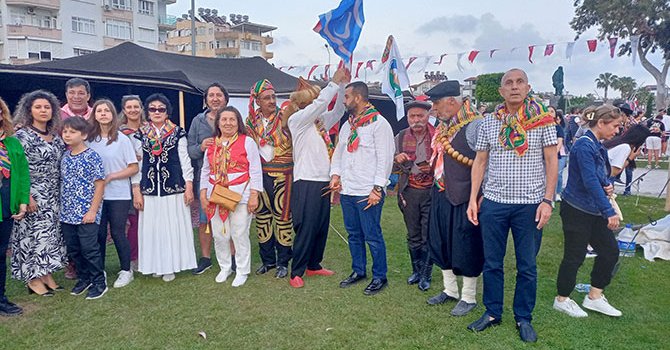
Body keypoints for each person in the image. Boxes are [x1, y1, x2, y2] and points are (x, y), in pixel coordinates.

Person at [466, 69, 557, 342]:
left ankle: (523, 317)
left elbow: (552, 161)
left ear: (528, 87)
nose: (514, 87)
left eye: (519, 82)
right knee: (492, 262)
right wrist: (474, 198)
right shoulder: (489, 123)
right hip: (494, 203)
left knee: (526, 265)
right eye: (509, 83)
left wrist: (548, 201)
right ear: (501, 91)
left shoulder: (543, 120)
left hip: (530, 204)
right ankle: (492, 311)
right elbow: (480, 161)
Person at [553, 105, 623, 318]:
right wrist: (608, 210)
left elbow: (600, 175)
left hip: (592, 209)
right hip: (577, 209)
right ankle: (562, 299)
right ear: (601, 123)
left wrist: (607, 184)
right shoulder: (584, 146)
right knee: (574, 256)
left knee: (610, 251)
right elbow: (589, 180)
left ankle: (594, 296)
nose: (618, 131)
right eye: (615, 126)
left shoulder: (596, 145)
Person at [424, 82, 484, 317]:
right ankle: (450, 290)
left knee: (466, 245)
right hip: (440, 192)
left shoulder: (475, 125)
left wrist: (479, 196)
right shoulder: (444, 126)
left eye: (437, 103)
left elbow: (485, 162)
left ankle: (469, 296)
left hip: (464, 197)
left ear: (451, 101)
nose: (434, 109)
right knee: (440, 242)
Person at [286, 68, 348, 288]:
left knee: (322, 225)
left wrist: (341, 86)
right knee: (307, 226)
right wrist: (332, 82)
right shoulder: (297, 121)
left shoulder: (319, 122)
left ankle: (314, 264)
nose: (315, 103)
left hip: (323, 180)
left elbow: (339, 111)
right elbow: (321, 104)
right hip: (306, 180)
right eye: (312, 100)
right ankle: (297, 270)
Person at [331, 82, 394, 295]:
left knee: (372, 235)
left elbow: (385, 159)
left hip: (368, 191)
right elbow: (339, 152)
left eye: (347, 96)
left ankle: (379, 276)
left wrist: (377, 188)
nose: (344, 100)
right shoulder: (348, 125)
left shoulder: (379, 124)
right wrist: (335, 175)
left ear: (358, 98)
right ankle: (359, 271)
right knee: (353, 234)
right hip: (348, 189)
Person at [132, 93, 197, 282]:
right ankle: (154, 265)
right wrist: (136, 189)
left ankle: (170, 265)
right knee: (152, 229)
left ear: (167, 111)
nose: (157, 112)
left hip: (173, 187)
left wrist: (189, 186)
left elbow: (185, 161)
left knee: (172, 226)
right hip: (149, 188)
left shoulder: (178, 132)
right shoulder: (141, 134)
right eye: (153, 109)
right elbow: (137, 164)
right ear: (148, 112)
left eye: (161, 109)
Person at [11, 90, 67, 297]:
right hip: (32, 193)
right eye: (38, 107)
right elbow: (17, 169)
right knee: (31, 237)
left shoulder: (55, 136)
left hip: (53, 194)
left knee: (50, 237)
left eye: (47, 107)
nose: (43, 111)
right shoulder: (21, 136)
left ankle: (46, 274)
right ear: (29, 110)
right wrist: (26, 196)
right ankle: (32, 279)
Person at [200, 106, 263, 287]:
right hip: (216, 196)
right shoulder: (212, 144)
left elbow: (255, 170)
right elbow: (205, 171)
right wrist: (203, 194)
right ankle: (225, 267)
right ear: (218, 123)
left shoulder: (247, 142)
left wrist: (254, 195)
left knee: (239, 233)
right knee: (220, 235)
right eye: (224, 119)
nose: (228, 123)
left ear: (238, 122)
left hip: (240, 195)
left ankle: (242, 270)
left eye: (232, 119)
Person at [87, 99, 139, 288]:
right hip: (96, 196)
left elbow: (133, 167)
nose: (103, 114)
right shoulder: (89, 139)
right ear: (94, 115)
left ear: (113, 114)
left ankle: (126, 270)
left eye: (107, 111)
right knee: (99, 234)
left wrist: (111, 177)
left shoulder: (122, 139)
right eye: (99, 111)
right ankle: (99, 270)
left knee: (117, 232)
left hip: (118, 194)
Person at [245, 79, 294, 279]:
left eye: (273, 97)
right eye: (267, 98)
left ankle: (283, 261)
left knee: (283, 218)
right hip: (259, 175)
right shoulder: (249, 122)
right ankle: (268, 261)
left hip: (283, 174)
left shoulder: (286, 117)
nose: (272, 101)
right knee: (262, 217)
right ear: (257, 100)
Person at [60, 116, 107, 299]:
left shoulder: (92, 156)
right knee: (74, 248)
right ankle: (84, 277)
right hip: (67, 212)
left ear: (84, 134)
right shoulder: (65, 156)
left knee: (89, 248)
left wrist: (93, 210)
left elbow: (100, 184)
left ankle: (99, 281)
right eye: (65, 131)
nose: (67, 135)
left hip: (87, 211)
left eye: (72, 131)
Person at [188, 83, 230, 275]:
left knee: (229, 218)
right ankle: (205, 258)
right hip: (205, 178)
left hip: (230, 178)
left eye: (218, 95)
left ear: (225, 98)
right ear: (205, 100)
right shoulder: (198, 121)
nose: (215, 98)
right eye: (211, 95)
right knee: (205, 219)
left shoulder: (233, 117)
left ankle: (232, 256)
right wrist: (201, 147)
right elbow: (190, 150)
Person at [393, 100, 435, 291]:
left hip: (432, 192)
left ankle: (426, 274)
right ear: (408, 117)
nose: (416, 120)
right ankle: (416, 271)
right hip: (409, 191)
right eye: (412, 116)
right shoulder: (400, 136)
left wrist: (432, 166)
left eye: (420, 116)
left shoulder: (438, 136)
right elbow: (390, 166)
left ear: (428, 116)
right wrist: (397, 159)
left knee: (428, 235)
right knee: (413, 234)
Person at [0, 97, 30, 316]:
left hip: (6, 204)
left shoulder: (12, 142)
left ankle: (1, 298)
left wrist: (22, 200)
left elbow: (22, 175)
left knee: (1, 253)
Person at [119, 95, 145, 270]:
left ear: (141, 108)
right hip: (126, 183)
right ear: (124, 110)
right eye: (129, 107)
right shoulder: (119, 133)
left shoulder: (150, 129)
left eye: (136, 106)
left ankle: (149, 254)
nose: (133, 110)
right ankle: (133, 258)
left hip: (149, 179)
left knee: (148, 221)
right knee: (134, 221)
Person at [605, 125, 650, 195]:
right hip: (604, 179)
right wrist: (630, 158)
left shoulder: (619, 142)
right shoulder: (625, 147)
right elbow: (613, 172)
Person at [551, 107, 568, 201]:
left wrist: (554, 153)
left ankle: (558, 192)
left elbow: (560, 142)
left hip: (561, 154)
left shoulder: (559, 129)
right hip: (548, 155)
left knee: (558, 173)